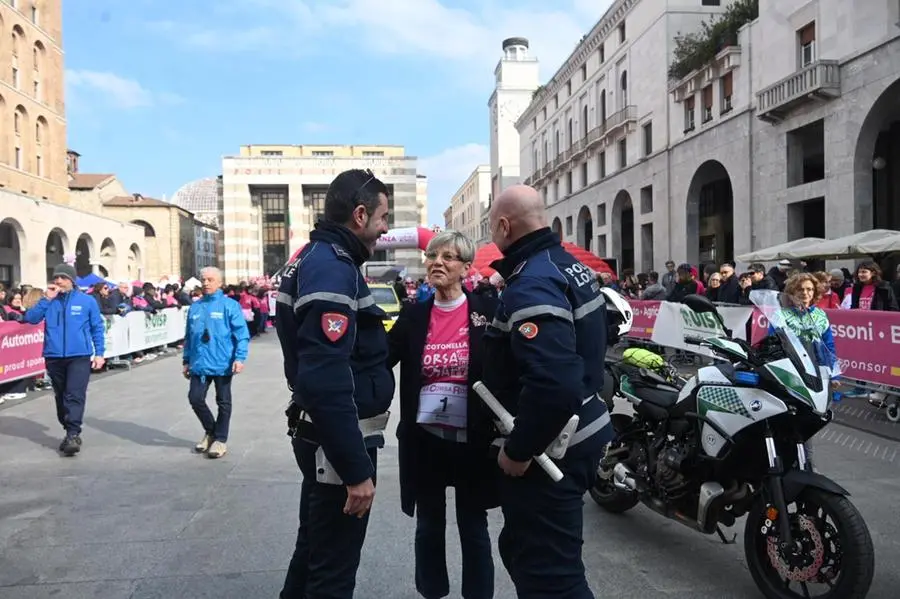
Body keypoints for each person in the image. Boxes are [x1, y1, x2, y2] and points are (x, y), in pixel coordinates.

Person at [481, 184, 613, 599]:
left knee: (550, 576)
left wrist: (519, 450)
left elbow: (554, 383)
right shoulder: (566, 265)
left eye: (491, 228)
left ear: (504, 225)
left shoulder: (532, 281)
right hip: (581, 432)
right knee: (524, 551)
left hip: (551, 450)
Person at [276, 169, 395, 599]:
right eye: (383, 218)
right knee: (333, 571)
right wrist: (355, 469)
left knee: (313, 553)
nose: (385, 229)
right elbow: (325, 376)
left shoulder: (320, 258)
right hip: (336, 442)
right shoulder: (332, 265)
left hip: (323, 434)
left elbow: (358, 352)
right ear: (361, 215)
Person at [387, 230, 499, 599]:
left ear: (466, 268)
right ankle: (432, 591)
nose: (437, 262)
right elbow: (382, 360)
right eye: (433, 255)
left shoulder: (487, 313)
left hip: (473, 440)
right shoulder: (414, 316)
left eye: (448, 257)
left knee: (473, 524)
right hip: (426, 440)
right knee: (429, 524)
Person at [21, 264, 105, 456]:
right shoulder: (48, 301)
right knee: (61, 396)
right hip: (54, 356)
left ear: (72, 281)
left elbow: (97, 328)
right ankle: (69, 427)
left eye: (63, 278)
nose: (58, 281)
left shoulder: (87, 301)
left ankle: (72, 434)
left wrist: (99, 353)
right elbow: (31, 318)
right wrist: (46, 299)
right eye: (56, 278)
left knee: (74, 394)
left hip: (79, 356)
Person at [182, 267, 250, 459]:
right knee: (195, 398)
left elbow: (242, 334)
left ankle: (220, 439)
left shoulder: (230, 306)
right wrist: (186, 360)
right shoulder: (195, 306)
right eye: (203, 280)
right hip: (199, 363)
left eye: (210, 280)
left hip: (223, 362)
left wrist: (240, 357)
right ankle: (211, 430)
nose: (206, 283)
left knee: (223, 402)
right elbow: (189, 336)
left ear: (219, 283)